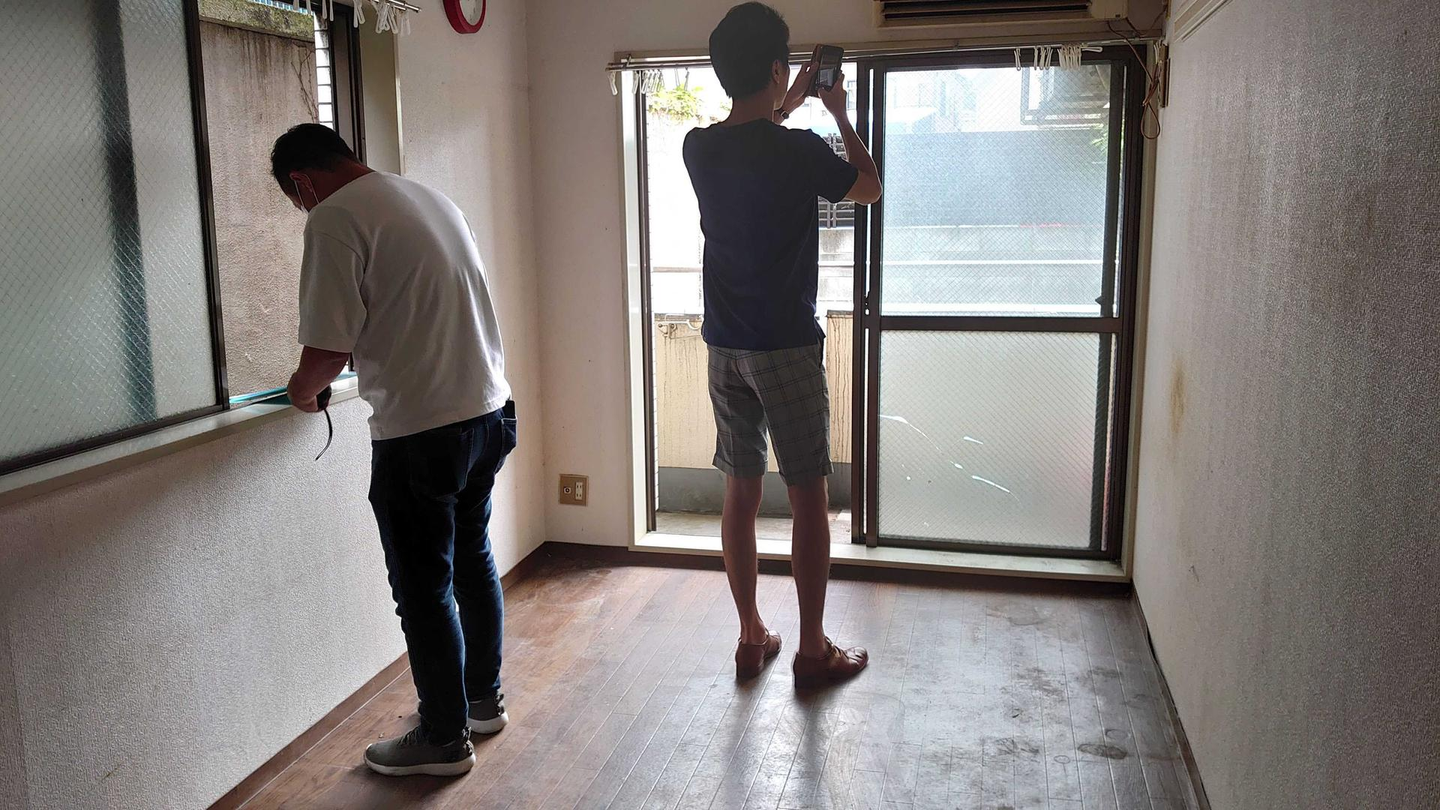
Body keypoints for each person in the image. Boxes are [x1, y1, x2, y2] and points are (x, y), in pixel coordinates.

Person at [274, 124, 515, 777]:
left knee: (423, 588)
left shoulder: (333, 218)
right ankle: (481, 702)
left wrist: (300, 393)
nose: (303, 209)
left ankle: (442, 739)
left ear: (303, 182)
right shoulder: (427, 198)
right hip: (488, 412)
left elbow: (327, 350)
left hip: (423, 433)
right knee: (472, 561)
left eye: (297, 200)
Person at [684, 3, 883, 688]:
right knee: (807, 498)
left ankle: (750, 636)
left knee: (739, 493)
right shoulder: (801, 150)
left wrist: (784, 98)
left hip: (725, 346)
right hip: (787, 348)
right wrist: (838, 113)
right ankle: (812, 649)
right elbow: (869, 187)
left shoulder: (698, 148)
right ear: (776, 69)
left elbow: (750, 135)